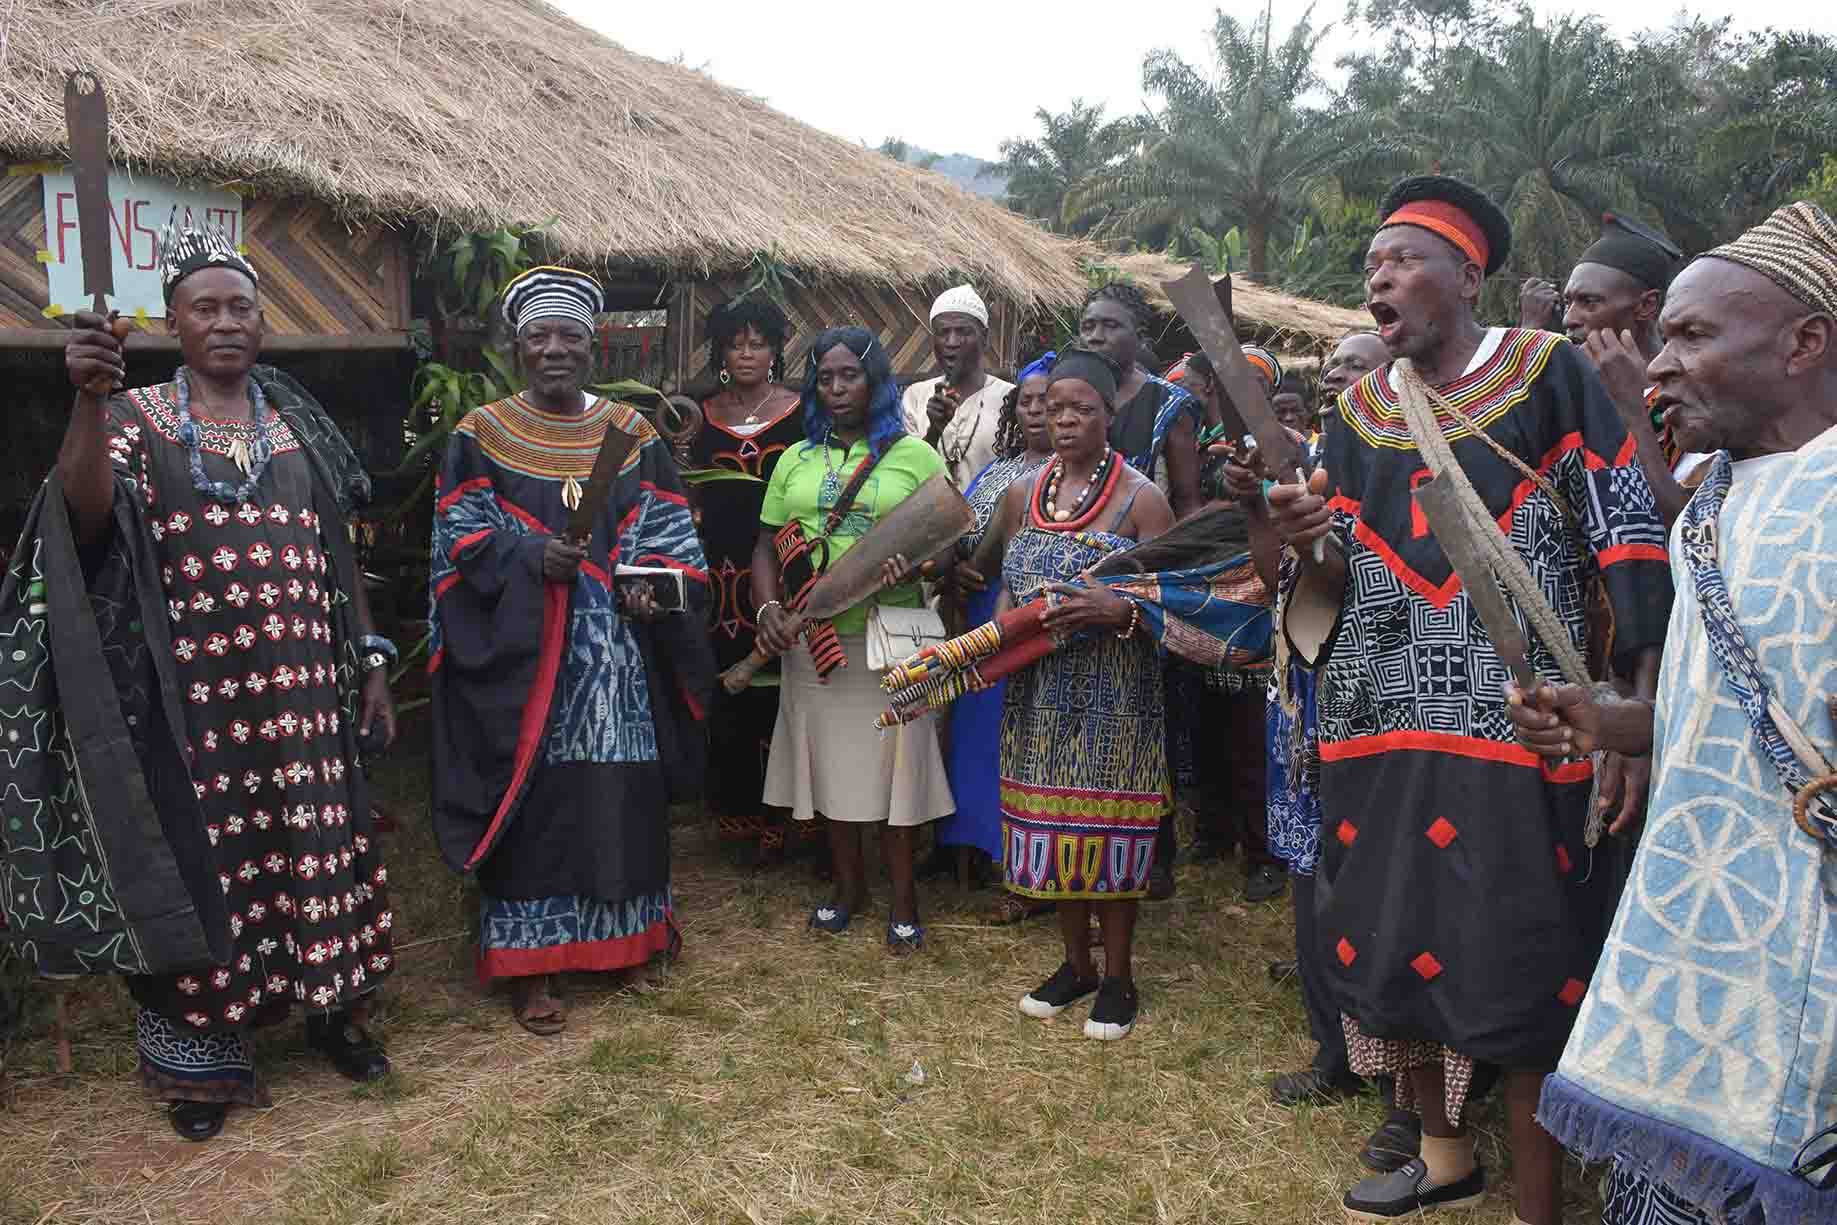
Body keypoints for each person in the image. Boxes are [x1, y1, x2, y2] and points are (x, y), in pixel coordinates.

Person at [1268, 175, 1674, 1224]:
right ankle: (1443, 1156)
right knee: (1393, 933)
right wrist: (1301, 535)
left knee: (1518, 952)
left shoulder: (1546, 372)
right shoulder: (1358, 408)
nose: (1377, 277)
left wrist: (1634, 691)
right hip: (1378, 719)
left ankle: (1540, 1201)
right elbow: (1340, 565)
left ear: (1465, 275)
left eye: (1399, 260)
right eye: (1370, 266)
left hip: (1521, 720)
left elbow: (1623, 519)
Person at [5, 220, 397, 1140]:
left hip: (307, 701)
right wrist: (89, 402)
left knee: (320, 850)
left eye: (240, 307)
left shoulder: (297, 424)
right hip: (196, 705)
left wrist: (372, 662)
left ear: (261, 322)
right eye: (204, 307)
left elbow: (340, 559)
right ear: (174, 324)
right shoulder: (137, 419)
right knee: (208, 866)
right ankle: (203, 1065)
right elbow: (84, 517)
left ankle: (334, 1014)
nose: (225, 321)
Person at [1518, 201, 1837, 1225]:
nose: (1652, 369)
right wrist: (1619, 723)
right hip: (1697, 968)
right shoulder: (1714, 502)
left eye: (1691, 336)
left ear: (1804, 343)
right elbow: (1743, 708)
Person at [429, 267, 714, 1035]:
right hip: (527, 659)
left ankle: (621, 939)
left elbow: (669, 533)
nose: (554, 349)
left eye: (570, 337)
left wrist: (652, 589)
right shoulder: (481, 433)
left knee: (615, 792)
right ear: (517, 346)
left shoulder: (631, 435)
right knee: (536, 800)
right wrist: (530, 559)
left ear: (594, 346)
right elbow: (459, 537)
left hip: (614, 659)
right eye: (538, 336)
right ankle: (534, 962)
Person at [977, 349, 1175, 1039]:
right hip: (1038, 691)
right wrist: (1003, 633)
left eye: (1081, 409)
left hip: (1113, 695)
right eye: (1055, 406)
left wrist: (1115, 611)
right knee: (1056, 831)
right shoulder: (1017, 494)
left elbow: (1174, 602)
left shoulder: (1141, 498)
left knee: (1107, 833)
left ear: (1108, 417)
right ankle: (1074, 965)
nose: (1065, 419)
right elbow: (1005, 582)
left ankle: (1117, 977)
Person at [754, 327, 953, 952]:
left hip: (889, 638)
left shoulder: (914, 455)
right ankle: (847, 890)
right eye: (826, 377)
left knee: (898, 768)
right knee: (833, 768)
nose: (837, 388)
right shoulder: (796, 458)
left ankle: (902, 899)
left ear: (877, 382)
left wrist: (917, 567)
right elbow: (765, 544)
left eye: (850, 376)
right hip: (815, 642)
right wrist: (766, 606)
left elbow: (949, 548)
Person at [934, 352, 1056, 919]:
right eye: (1027, 401)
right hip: (982, 618)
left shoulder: (1085, 478)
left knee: (1026, 743)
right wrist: (956, 570)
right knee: (979, 738)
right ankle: (976, 847)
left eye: (1047, 401)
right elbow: (963, 535)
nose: (1036, 411)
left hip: (1037, 622)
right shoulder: (998, 471)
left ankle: (1027, 863)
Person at [688, 296, 806, 864]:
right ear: (721, 352)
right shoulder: (702, 415)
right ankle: (737, 810)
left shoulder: (802, 411)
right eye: (736, 343)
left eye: (757, 343)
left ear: (776, 349)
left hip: (781, 565)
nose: (746, 353)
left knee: (781, 688)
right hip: (719, 571)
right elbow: (689, 490)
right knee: (729, 688)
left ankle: (785, 816)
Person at [1177, 347, 1286, 904]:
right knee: (1210, 728)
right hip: (1206, 601)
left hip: (1255, 600)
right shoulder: (1200, 440)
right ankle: (1214, 832)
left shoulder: (1277, 446)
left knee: (1251, 737)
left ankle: (1265, 851)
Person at [1561, 214, 1696, 527]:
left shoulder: (1696, 395)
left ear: (1646, 306)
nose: (1570, 319)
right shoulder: (1573, 394)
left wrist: (1631, 408)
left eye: (1589, 302)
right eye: (1568, 302)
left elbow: (1688, 530)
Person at [1081, 282, 1203, 519]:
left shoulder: (1169, 404)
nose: (1096, 337)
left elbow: (1186, 502)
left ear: (1139, 336)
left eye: (1111, 326)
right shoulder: (1065, 394)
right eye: (1088, 326)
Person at [900, 285, 1014, 488]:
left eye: (963, 331)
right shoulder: (916, 396)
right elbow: (905, 474)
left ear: (985, 338)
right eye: (943, 333)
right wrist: (934, 431)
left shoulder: (1010, 398)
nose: (951, 342)